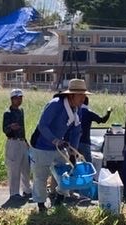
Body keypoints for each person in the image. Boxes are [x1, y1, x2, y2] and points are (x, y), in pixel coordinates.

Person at [30, 78, 87, 212]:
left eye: (84, 95)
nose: (83, 98)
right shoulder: (55, 104)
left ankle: (59, 199)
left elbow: (76, 131)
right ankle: (41, 206)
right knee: (41, 177)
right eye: (80, 95)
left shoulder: (77, 110)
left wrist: (73, 152)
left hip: (59, 148)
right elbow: (42, 125)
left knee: (66, 173)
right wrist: (54, 140)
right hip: (41, 145)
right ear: (71, 95)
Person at [2, 88, 31, 201]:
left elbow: (22, 129)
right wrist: (11, 127)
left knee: (26, 168)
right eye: (17, 98)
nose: (19, 100)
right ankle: (14, 193)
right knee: (14, 169)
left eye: (20, 98)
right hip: (13, 141)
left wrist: (26, 141)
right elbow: (5, 129)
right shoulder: (7, 113)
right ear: (12, 99)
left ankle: (27, 190)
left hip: (22, 141)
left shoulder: (21, 111)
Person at [78, 96, 112, 163]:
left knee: (74, 164)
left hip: (73, 142)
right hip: (85, 142)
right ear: (87, 103)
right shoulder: (89, 113)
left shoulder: (75, 111)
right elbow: (102, 120)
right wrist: (109, 111)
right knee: (87, 164)